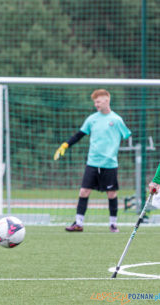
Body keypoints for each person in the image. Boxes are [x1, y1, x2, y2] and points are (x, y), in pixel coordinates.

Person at [54, 89, 131, 233]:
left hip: (110, 163)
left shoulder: (116, 120)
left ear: (107, 101)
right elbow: (79, 135)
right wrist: (66, 145)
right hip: (93, 163)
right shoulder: (92, 119)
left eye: (98, 101)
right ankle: (78, 223)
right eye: (95, 102)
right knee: (83, 191)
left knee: (112, 193)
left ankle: (113, 224)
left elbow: (127, 135)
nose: (96, 104)